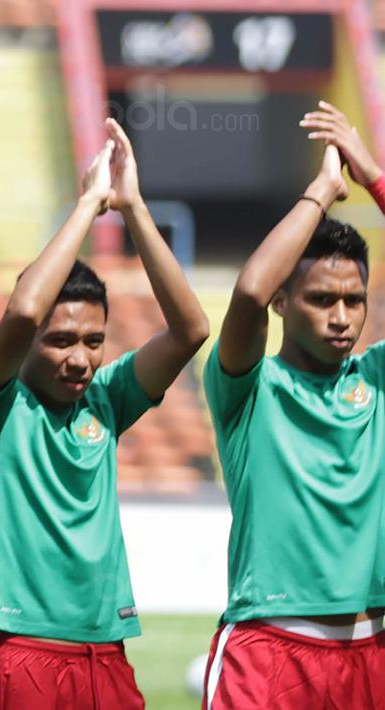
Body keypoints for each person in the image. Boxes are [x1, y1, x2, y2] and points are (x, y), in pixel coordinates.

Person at [0, 118, 207, 709]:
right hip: (21, 648)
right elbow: (21, 310)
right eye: (61, 339)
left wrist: (134, 208)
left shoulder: (107, 400)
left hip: (106, 651)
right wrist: (89, 203)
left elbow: (191, 329)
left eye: (94, 340)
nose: (80, 359)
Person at [201, 110, 385, 709]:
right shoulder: (248, 386)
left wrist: (375, 176)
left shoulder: (376, 379)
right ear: (285, 300)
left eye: (354, 300)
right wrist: (323, 192)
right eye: (322, 299)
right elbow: (250, 289)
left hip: (372, 649)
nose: (342, 317)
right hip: (269, 650)